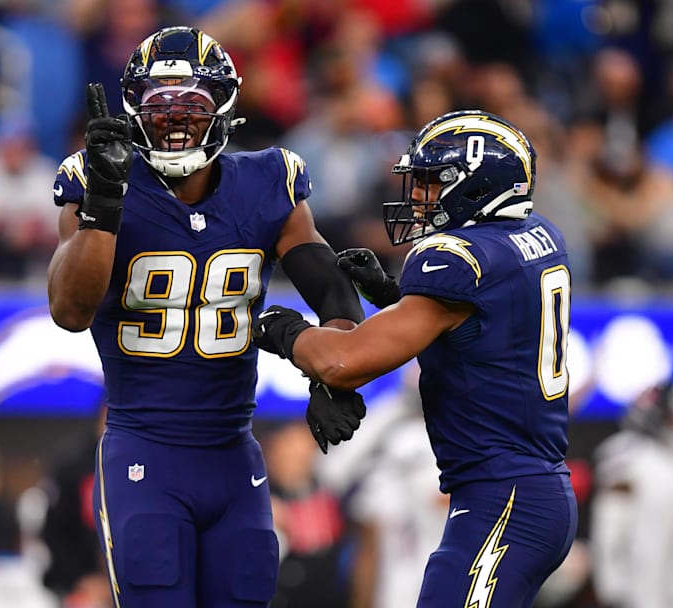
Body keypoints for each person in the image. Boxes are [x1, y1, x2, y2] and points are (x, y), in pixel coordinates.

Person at [45, 26, 366, 607]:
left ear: (222, 107)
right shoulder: (97, 177)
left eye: (191, 103)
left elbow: (331, 290)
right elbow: (70, 310)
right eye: (159, 104)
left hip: (234, 453)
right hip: (144, 454)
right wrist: (104, 203)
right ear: (133, 111)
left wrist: (337, 372)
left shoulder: (268, 182)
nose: (175, 118)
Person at [253, 110, 577, 607]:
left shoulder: (459, 260)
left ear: (479, 186)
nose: (418, 196)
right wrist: (391, 295)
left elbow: (343, 361)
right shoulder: (535, 236)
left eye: (431, 182)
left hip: (504, 498)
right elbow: (480, 324)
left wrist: (282, 329)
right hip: (528, 490)